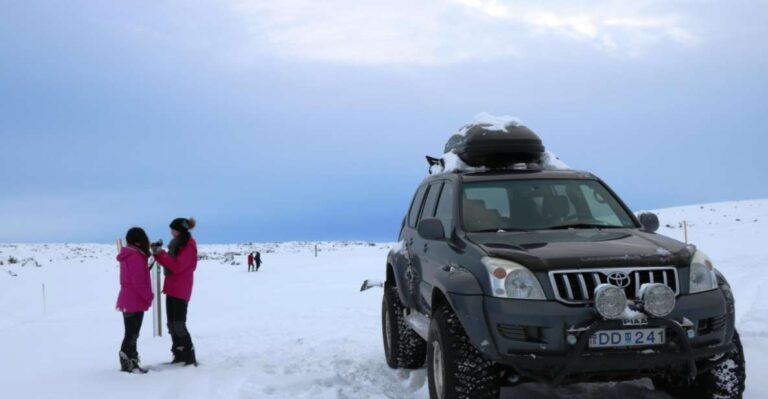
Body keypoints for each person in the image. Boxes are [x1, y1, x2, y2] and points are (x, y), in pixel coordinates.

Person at [153, 217, 198, 365]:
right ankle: (179, 353)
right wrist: (158, 253)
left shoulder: (188, 246)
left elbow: (177, 266)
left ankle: (189, 354)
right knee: (172, 324)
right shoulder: (178, 244)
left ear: (179, 230)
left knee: (178, 324)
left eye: (172, 229)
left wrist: (161, 254)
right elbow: (171, 263)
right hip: (172, 287)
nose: (170, 231)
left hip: (180, 288)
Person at [115, 227, 153, 373]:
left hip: (128, 299)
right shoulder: (136, 256)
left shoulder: (129, 254)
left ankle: (131, 361)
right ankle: (128, 360)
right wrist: (148, 297)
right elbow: (139, 282)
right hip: (134, 300)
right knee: (132, 333)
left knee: (131, 333)